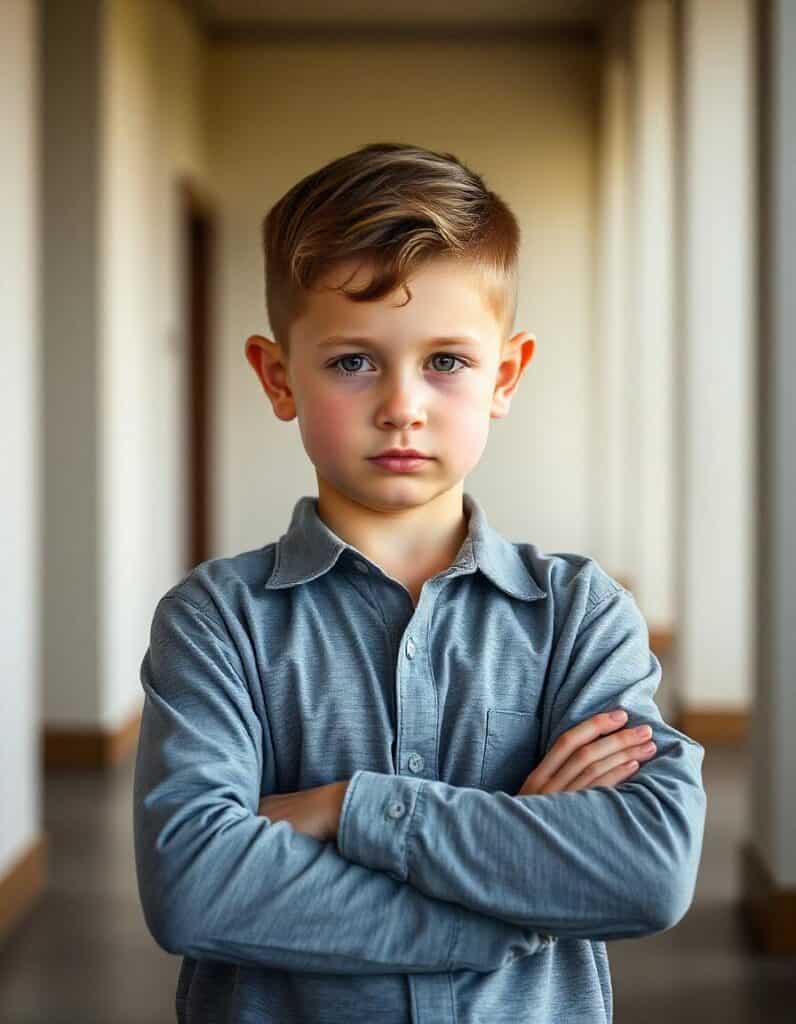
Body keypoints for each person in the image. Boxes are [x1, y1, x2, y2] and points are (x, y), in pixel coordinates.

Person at [133, 142, 707, 1023]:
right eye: (353, 361)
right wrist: (513, 898)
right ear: (277, 376)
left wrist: (346, 809)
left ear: (503, 376)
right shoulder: (216, 621)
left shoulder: (580, 614)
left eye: (446, 361)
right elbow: (196, 886)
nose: (402, 403)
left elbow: (647, 869)